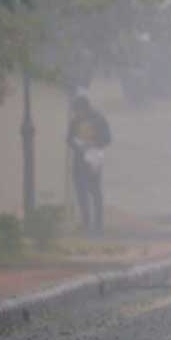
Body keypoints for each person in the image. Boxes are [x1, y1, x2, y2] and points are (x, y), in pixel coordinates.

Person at [67, 94, 112, 235]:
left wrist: (94, 144)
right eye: (75, 111)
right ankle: (86, 222)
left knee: (95, 191)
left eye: (77, 110)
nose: (76, 113)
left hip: (93, 159)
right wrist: (78, 145)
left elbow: (108, 139)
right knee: (80, 192)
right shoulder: (75, 121)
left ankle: (98, 223)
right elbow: (69, 139)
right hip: (79, 159)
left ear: (84, 108)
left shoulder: (99, 119)